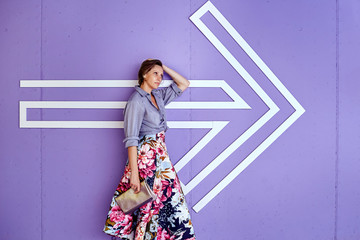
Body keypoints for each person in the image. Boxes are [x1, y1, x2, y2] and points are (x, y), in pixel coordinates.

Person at [103, 59, 196, 240]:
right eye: (155, 73)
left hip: (161, 157)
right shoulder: (135, 101)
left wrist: (163, 66)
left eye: (161, 75)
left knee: (170, 201)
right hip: (145, 159)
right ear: (144, 74)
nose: (160, 78)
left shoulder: (158, 96)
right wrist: (134, 174)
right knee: (147, 204)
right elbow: (131, 140)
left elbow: (184, 84)